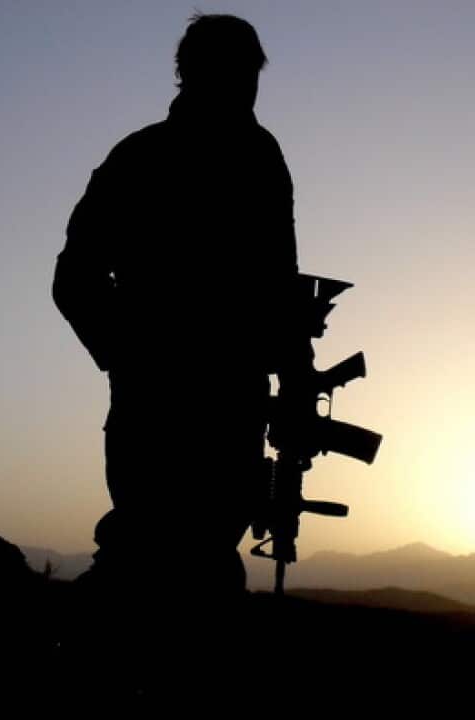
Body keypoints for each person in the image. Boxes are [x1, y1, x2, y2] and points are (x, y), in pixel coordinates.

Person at [53, 14, 307, 621]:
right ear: (192, 74)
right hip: (161, 410)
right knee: (146, 559)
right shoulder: (143, 159)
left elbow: (280, 284)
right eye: (234, 74)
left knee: (202, 566)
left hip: (229, 406)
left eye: (249, 75)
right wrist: (134, 360)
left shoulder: (258, 156)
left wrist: (296, 381)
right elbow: (74, 280)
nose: (245, 89)